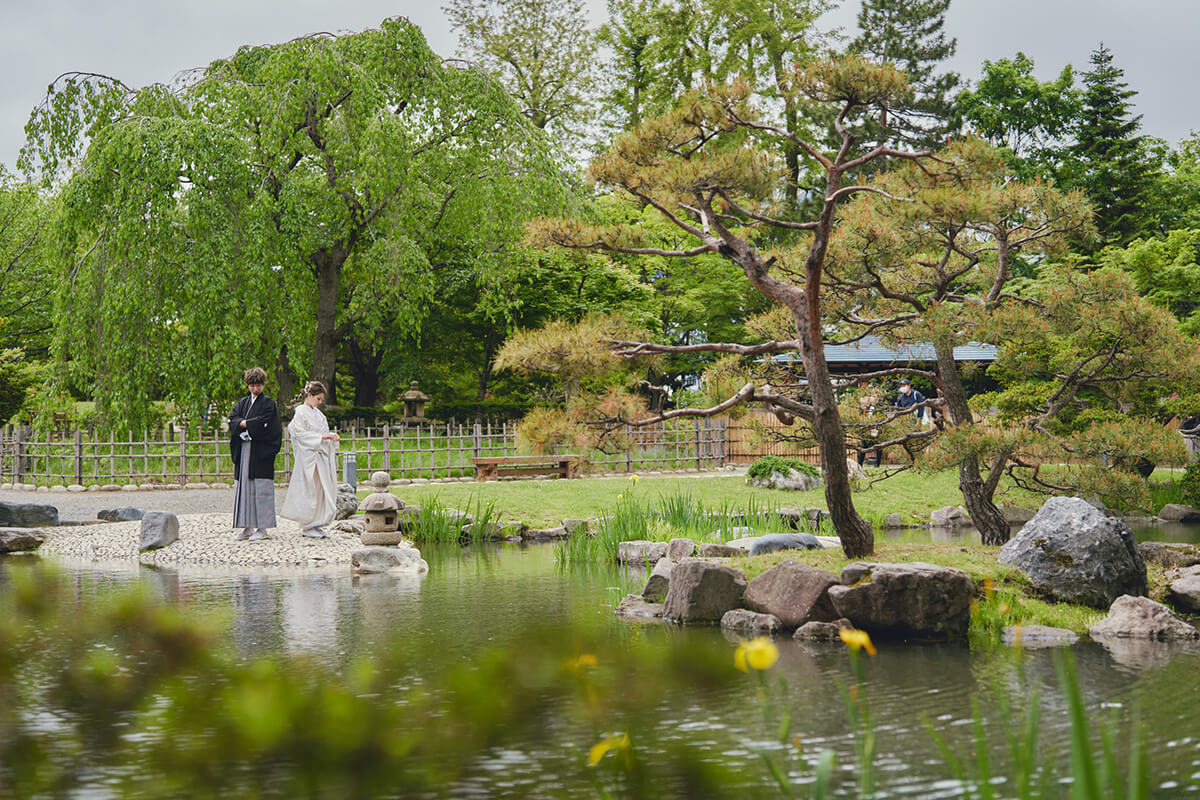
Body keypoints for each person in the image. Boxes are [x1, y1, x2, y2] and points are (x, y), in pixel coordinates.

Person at [279, 381, 340, 538]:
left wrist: (331, 438)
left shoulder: (319, 415)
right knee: (310, 491)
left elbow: (324, 432)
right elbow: (299, 434)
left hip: (320, 456)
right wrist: (322, 437)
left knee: (322, 490)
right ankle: (308, 524)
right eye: (318, 399)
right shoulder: (300, 412)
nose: (319, 402)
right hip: (309, 458)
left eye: (321, 400)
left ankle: (317, 522)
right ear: (310, 395)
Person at [228, 367, 283, 541]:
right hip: (244, 450)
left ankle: (263, 528)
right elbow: (232, 419)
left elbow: (265, 423)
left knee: (261, 489)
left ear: (263, 385)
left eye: (258, 385)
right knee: (243, 488)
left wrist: (244, 424)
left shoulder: (268, 404)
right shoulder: (242, 403)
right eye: (252, 385)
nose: (255, 389)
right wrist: (244, 425)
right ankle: (246, 527)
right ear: (247, 385)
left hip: (260, 452)